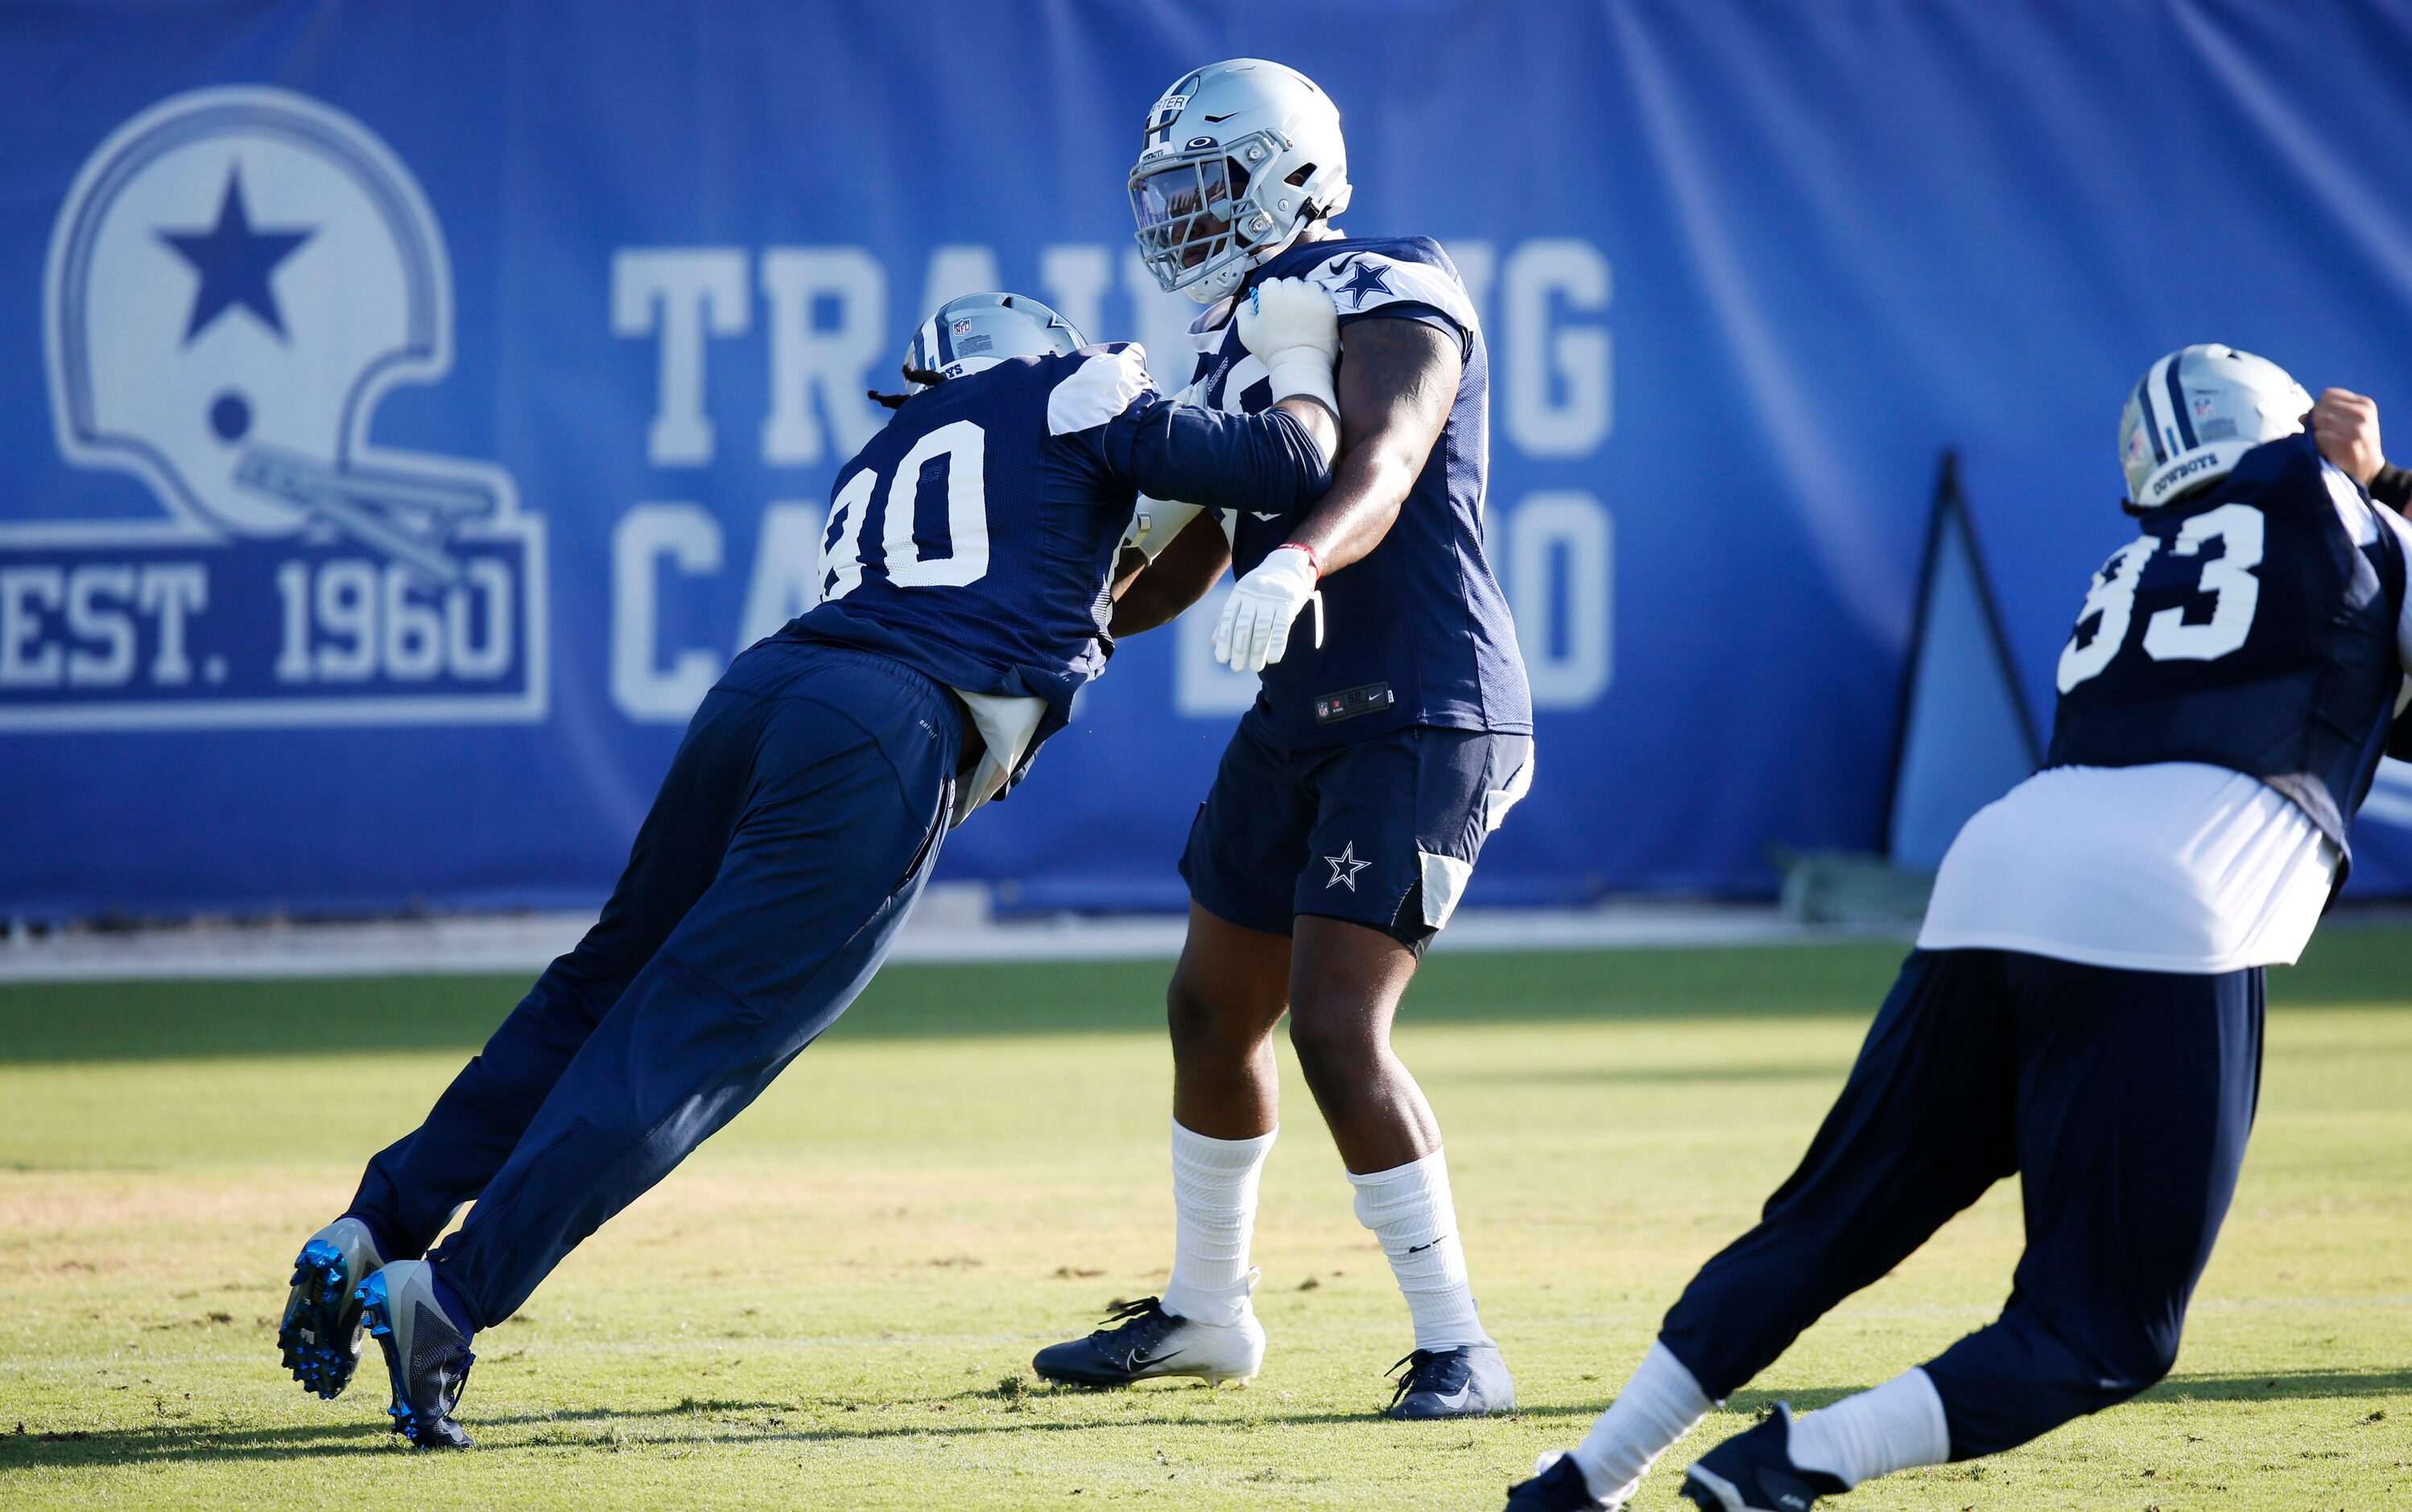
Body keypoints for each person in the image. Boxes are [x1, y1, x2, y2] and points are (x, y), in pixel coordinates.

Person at [273, 285, 1347, 1448]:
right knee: (689, 1042)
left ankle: (376, 1224)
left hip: (764, 692)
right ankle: (453, 1296)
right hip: (889, 729)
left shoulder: (891, 455)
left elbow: (1078, 576)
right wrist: (1298, 354)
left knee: (595, 993)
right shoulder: (1077, 384)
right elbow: (1284, 460)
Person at [1505, 346, 2412, 1510]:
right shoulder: (2353, 525)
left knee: (1823, 1224)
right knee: (2104, 1330)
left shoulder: (2135, 566)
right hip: (2171, 899)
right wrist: (2384, 481)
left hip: (2002, 865)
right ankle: (1793, 1462)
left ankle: (1590, 1473)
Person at [1031, 59, 1534, 1419]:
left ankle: (1460, 1346)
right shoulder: (1241, 330)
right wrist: (1054, 639)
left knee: (1332, 1021)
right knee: (1210, 1006)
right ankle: (1208, 1313)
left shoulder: (1387, 274)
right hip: (1304, 706)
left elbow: (1387, 454)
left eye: (1202, 183)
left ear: (1285, 175)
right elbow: (1198, 549)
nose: (1179, 214)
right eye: (1169, 190)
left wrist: (1300, 559)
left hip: (1426, 700)